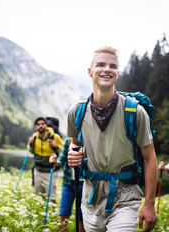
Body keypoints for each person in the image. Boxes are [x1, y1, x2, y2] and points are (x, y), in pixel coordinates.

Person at [67, 46, 157, 232]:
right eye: (101, 64)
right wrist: (74, 154)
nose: (107, 69)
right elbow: (75, 145)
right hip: (91, 197)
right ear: (90, 72)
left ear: (117, 73)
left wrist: (149, 204)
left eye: (112, 66)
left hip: (125, 197)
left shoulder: (134, 112)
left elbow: (149, 158)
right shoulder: (77, 112)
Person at [49, 138, 85, 232]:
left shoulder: (88, 138)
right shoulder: (68, 141)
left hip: (85, 184)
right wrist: (55, 162)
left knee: (82, 217)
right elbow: (61, 162)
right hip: (68, 184)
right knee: (63, 215)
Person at [27, 117, 63, 200]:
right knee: (37, 194)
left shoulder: (55, 137)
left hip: (50, 171)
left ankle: (52, 211)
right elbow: (31, 151)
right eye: (38, 124)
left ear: (46, 125)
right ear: (35, 127)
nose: (41, 126)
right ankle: (39, 210)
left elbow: (63, 150)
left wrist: (56, 146)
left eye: (42, 124)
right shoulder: (34, 137)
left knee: (51, 196)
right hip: (38, 169)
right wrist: (30, 144)